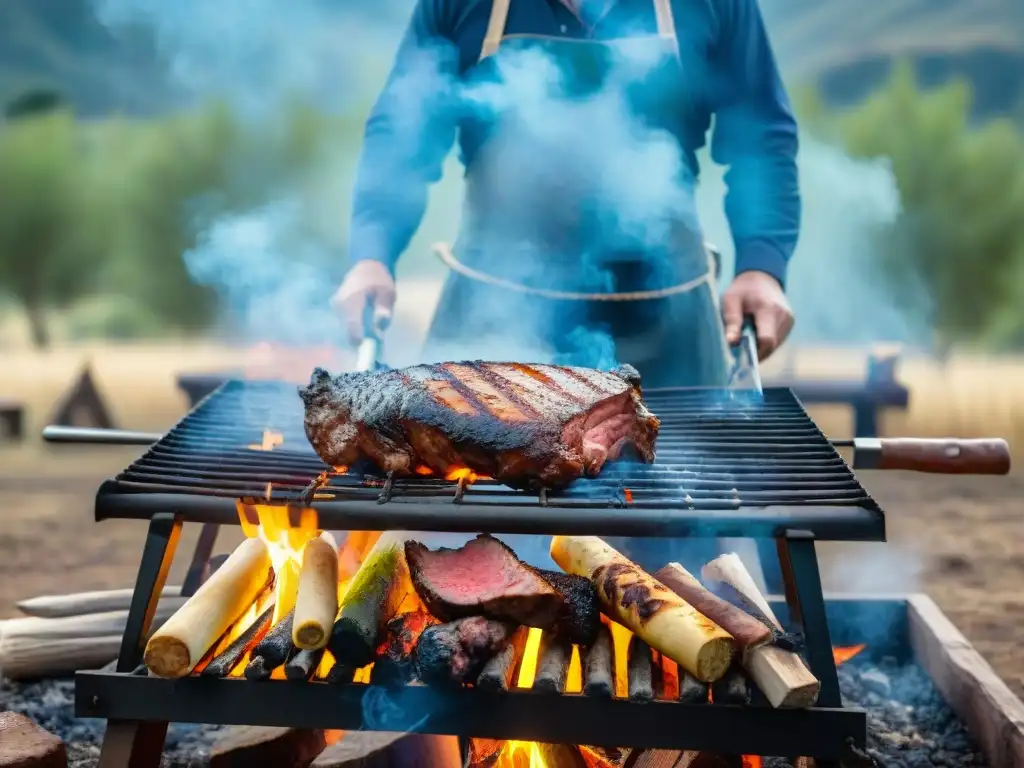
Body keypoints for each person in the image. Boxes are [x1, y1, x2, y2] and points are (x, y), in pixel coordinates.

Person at [331, 0, 798, 578]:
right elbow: (402, 132)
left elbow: (760, 136)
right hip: (494, 330)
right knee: (469, 555)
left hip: (667, 331)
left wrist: (762, 264)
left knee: (679, 560)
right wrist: (372, 253)